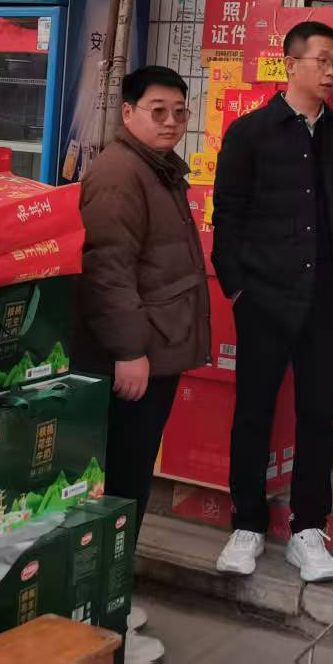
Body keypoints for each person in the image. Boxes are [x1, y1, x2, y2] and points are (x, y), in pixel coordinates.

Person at [211, 21, 333, 583]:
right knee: (253, 412)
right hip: (265, 298)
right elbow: (227, 215)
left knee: (318, 417)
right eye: (321, 61)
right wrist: (237, 287)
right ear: (290, 64)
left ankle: (308, 528)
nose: (331, 72)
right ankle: (247, 524)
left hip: (328, 302)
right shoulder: (250, 133)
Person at [74, 64, 210, 534]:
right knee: (123, 475)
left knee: (133, 471)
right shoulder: (119, 174)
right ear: (128, 112)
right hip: (137, 354)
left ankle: (119, 566)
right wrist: (129, 351)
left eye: (179, 112)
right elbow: (107, 270)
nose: (171, 121)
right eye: (158, 111)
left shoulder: (157, 168)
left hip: (156, 343)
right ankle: (111, 573)